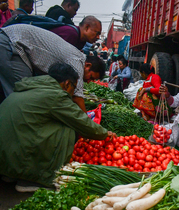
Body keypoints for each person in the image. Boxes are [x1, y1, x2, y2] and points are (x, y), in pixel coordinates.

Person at [0, 63, 115, 192]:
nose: (73, 93)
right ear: (67, 84)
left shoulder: (30, 87)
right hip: (20, 157)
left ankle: (11, 173)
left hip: (5, 158)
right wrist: (105, 133)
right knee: (67, 128)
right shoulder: (56, 95)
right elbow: (81, 122)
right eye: (74, 88)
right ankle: (33, 179)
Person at [0, 24, 106, 111]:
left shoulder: (76, 56)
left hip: (10, 41)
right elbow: (77, 97)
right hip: (12, 43)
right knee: (23, 95)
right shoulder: (77, 61)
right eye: (91, 77)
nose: (89, 81)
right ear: (88, 65)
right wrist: (86, 125)